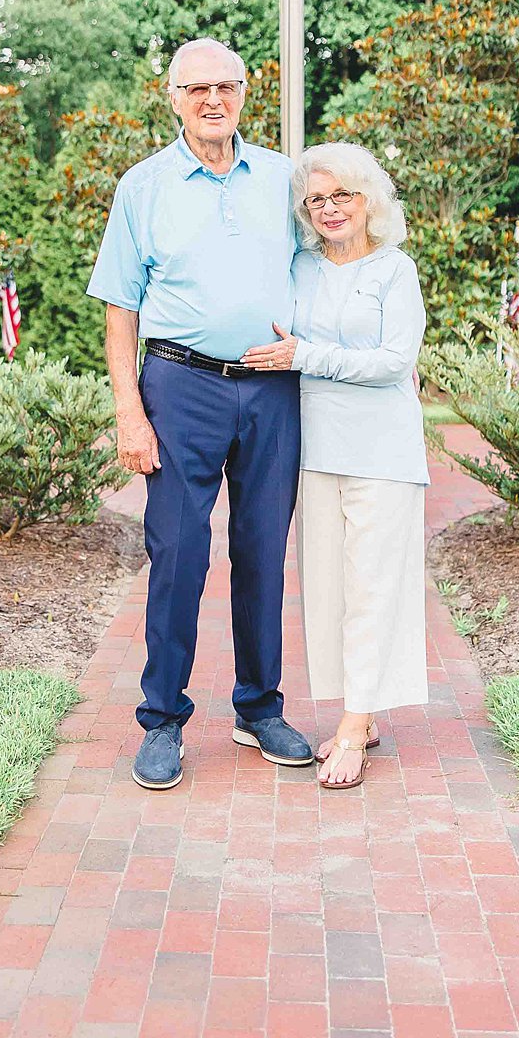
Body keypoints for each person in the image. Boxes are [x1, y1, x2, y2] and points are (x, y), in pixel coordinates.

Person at [87, 38, 314, 790]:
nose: (213, 100)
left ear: (246, 93)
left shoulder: (286, 179)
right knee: (178, 554)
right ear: (172, 98)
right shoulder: (143, 187)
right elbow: (120, 306)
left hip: (273, 386)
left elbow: (329, 266)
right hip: (179, 387)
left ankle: (259, 708)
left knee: (261, 552)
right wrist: (129, 411)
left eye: (227, 87)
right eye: (197, 89)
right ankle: (161, 720)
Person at [243, 142, 428, 789]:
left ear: (367, 200)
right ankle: (362, 707)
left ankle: (353, 727)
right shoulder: (299, 268)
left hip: (382, 452)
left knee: (373, 589)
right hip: (314, 449)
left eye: (341, 195)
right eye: (315, 199)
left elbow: (391, 362)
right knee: (328, 590)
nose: (329, 208)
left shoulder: (393, 270)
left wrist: (304, 356)